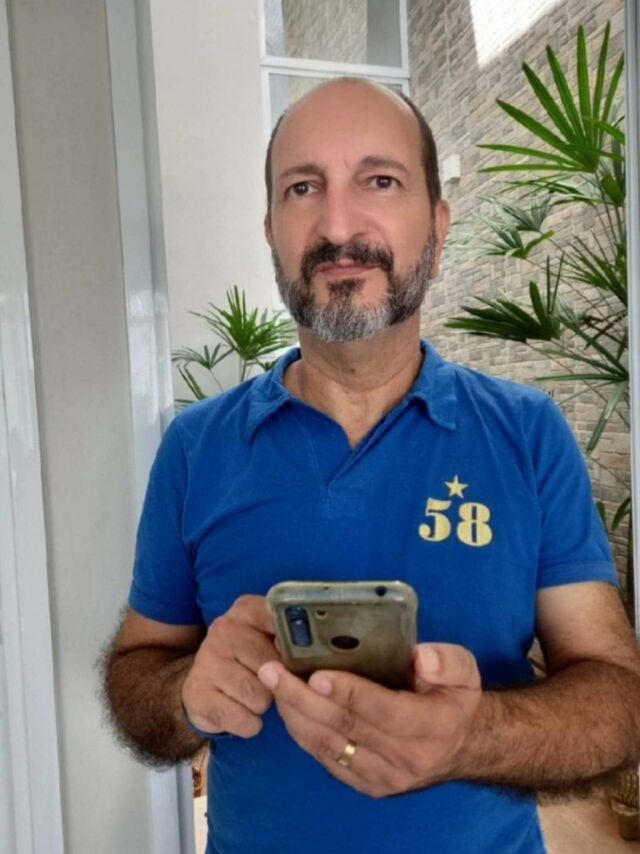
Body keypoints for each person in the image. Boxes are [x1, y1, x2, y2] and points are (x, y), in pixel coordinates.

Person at [102, 78, 640, 854]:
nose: (338, 225)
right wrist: (185, 690)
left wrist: (473, 736)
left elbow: (618, 702)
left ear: (438, 225)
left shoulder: (528, 434)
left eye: (379, 181)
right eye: (303, 188)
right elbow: (135, 676)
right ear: (271, 231)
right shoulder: (195, 447)